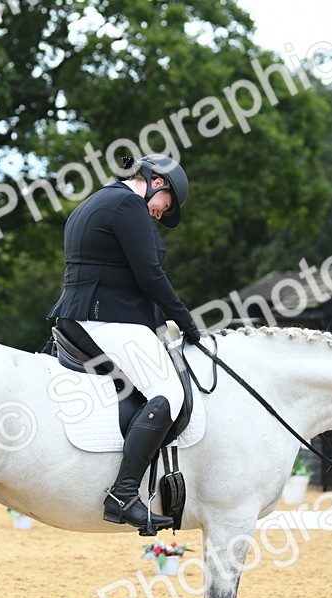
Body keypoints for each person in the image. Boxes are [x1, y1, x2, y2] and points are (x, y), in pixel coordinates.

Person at [46, 153, 202, 535]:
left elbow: (121, 274)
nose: (161, 215)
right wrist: (185, 321)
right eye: (166, 208)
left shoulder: (97, 201)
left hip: (84, 313)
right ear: (158, 183)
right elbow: (150, 274)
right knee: (169, 391)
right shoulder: (128, 204)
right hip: (103, 318)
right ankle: (123, 494)